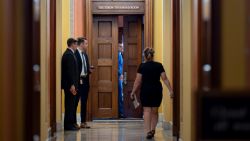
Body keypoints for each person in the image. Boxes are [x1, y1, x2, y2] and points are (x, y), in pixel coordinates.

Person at [130, 47, 174, 139]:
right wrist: (170, 90)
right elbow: (164, 78)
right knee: (154, 111)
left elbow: (138, 81)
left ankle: (148, 131)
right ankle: (153, 129)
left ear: (145, 56)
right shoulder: (159, 65)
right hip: (156, 90)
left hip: (146, 90)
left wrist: (133, 92)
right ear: (153, 56)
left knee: (146, 111)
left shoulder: (142, 66)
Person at [74, 37, 93, 128]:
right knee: (75, 102)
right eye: (86, 43)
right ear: (81, 44)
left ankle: (83, 122)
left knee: (84, 102)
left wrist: (89, 70)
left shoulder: (85, 54)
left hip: (85, 81)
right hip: (78, 81)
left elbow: (85, 67)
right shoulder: (75, 54)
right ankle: (74, 122)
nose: (87, 45)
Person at [61, 38, 79, 131]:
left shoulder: (71, 54)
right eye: (76, 44)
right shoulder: (68, 55)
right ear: (72, 44)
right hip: (70, 86)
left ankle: (71, 124)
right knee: (69, 105)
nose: (77, 46)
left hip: (72, 85)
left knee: (71, 105)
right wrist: (72, 85)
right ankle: (68, 125)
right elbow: (69, 72)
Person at [118, 43, 125, 118]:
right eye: (120, 46)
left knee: (121, 95)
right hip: (118, 77)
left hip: (120, 77)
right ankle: (120, 112)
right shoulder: (117, 55)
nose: (121, 48)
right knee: (120, 95)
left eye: (122, 46)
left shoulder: (120, 55)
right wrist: (120, 74)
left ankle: (121, 112)